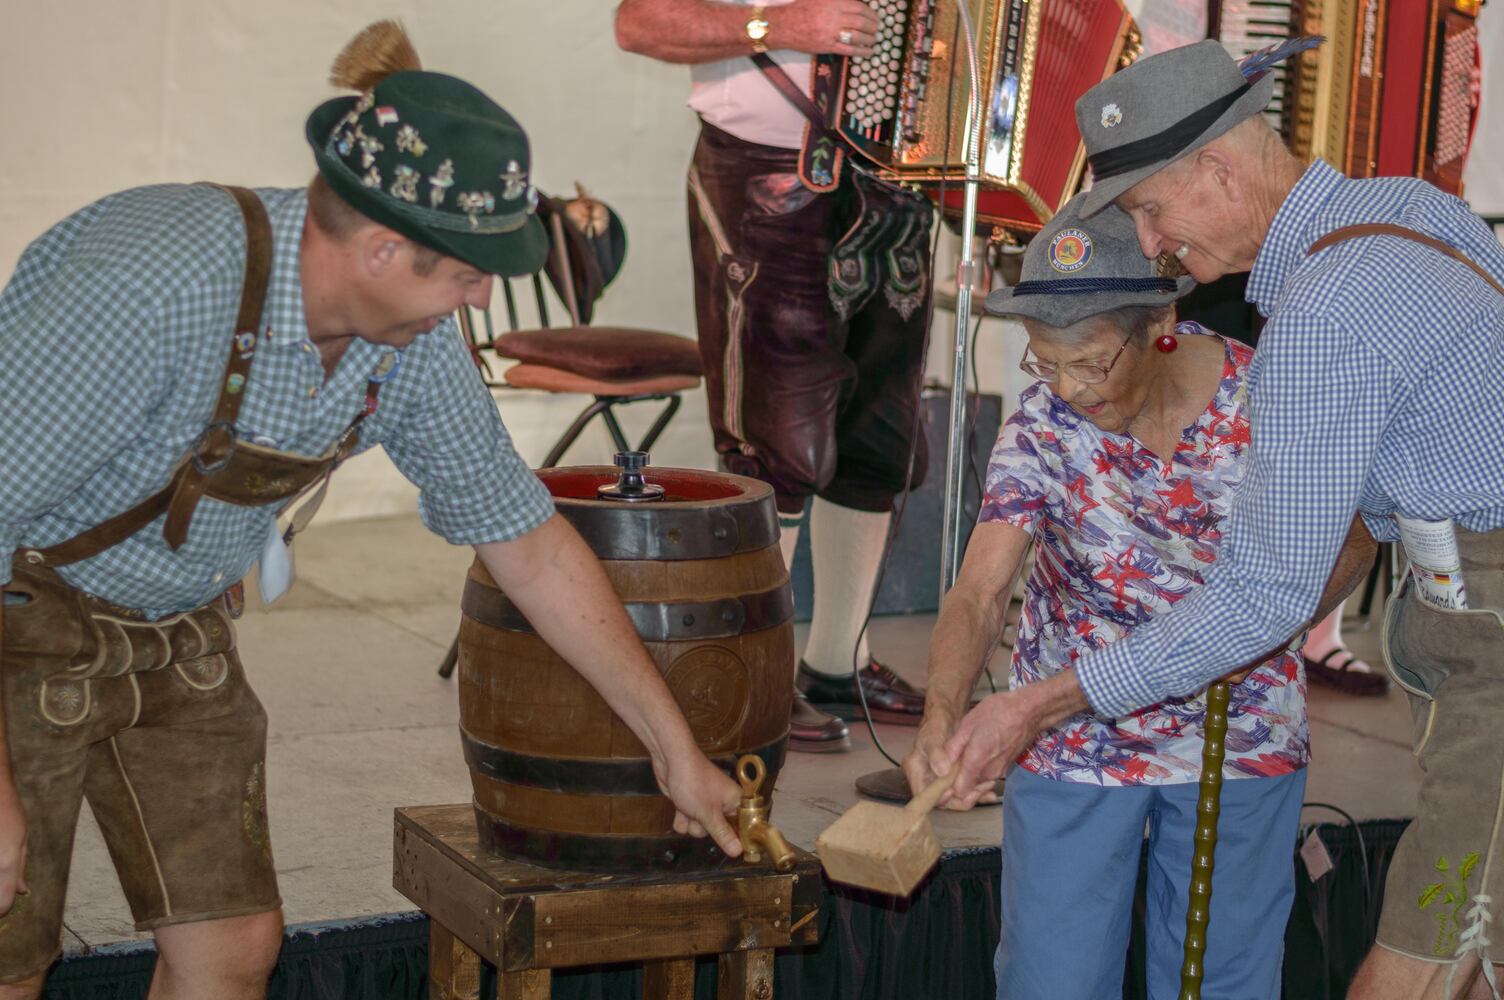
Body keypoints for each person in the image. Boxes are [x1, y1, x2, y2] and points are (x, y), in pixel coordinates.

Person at [0, 23, 742, 999]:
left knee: (233, 949)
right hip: (22, 616)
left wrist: (674, 750)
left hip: (177, 631)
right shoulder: (147, 286)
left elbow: (528, 546)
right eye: (469, 269)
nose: (482, 294)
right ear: (384, 247)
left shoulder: (414, 346)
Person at [936, 40, 1504, 1000]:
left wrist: (1038, 703)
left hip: (1485, 634)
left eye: (1152, 210)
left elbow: (1262, 596)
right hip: (1459, 618)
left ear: (1217, 166)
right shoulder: (1413, 210)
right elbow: (1376, 498)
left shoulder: (1323, 314)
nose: (1150, 245)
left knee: (1421, 956)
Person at [904, 195, 1368, 997]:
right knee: (1052, 980)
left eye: (1087, 362)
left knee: (1221, 982)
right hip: (1071, 732)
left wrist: (1266, 626)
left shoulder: (1268, 397)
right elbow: (980, 592)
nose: (1067, 387)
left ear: (1159, 324)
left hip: (1239, 723)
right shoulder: (1043, 424)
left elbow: (1356, 539)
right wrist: (942, 707)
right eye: (1043, 362)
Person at [615, 0, 932, 752]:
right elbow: (638, 22)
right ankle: (758, 668)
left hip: (899, 187)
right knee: (777, 442)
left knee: (878, 441)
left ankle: (837, 661)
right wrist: (774, 28)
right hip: (766, 176)